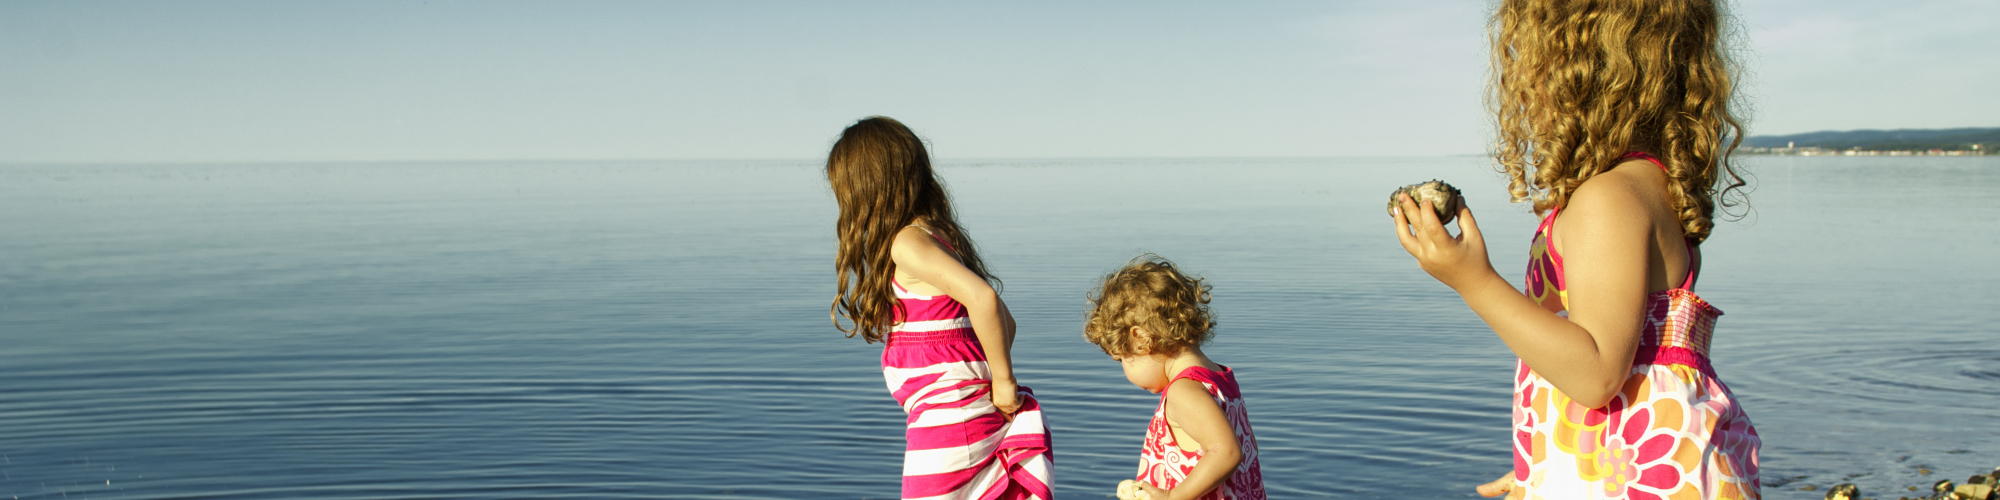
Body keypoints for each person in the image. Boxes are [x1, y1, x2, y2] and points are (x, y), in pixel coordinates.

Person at [1390, 0, 1761, 498]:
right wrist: (1546, 465)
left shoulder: (1609, 200)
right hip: (1637, 465)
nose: (1522, 86)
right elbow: (1634, 376)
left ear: (1580, 71)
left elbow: (1596, 374)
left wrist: (1472, 280)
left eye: (1531, 63)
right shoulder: (1648, 186)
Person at [827, 116, 1053, 499]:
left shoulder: (908, 244)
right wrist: (990, 381)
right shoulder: (935, 236)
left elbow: (983, 298)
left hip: (950, 417)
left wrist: (1002, 382)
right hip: (960, 412)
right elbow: (1003, 319)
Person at [1083, 255, 1264, 500]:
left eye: (1121, 359)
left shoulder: (1184, 392)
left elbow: (1227, 452)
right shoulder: (1221, 380)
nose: (1124, 370)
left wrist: (1173, 497)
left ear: (1140, 338)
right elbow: (1248, 450)